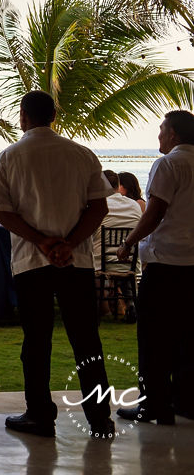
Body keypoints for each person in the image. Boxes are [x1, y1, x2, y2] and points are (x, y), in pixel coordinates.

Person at [0, 90, 114, 438]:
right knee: (87, 339)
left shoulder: (9, 157)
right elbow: (99, 208)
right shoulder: (82, 154)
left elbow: (0, 211)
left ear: (22, 116)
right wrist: (69, 243)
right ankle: (99, 417)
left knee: (37, 340)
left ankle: (40, 414)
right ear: (53, 116)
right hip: (78, 260)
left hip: (32, 261)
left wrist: (42, 242)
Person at [114, 111, 194, 425]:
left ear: (173, 134)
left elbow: (155, 212)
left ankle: (154, 405)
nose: (158, 135)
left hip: (166, 263)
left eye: (161, 129)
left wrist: (128, 242)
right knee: (189, 337)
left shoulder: (169, 163)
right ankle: (186, 401)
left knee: (154, 338)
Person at [92, 171, 143, 272]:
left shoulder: (97, 207)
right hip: (131, 268)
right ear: (118, 185)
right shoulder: (135, 205)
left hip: (100, 268)